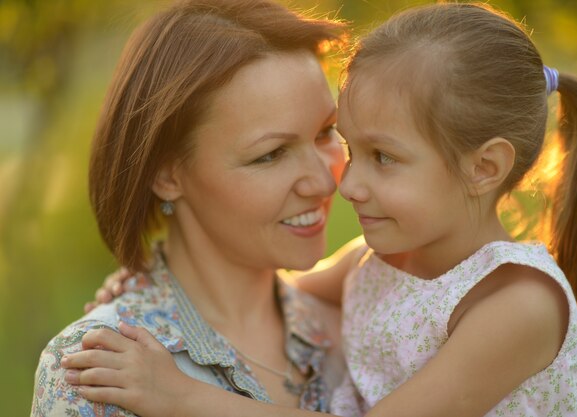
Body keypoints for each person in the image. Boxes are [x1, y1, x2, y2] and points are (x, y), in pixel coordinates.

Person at [61, 2, 577, 417]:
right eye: (351, 145)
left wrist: (180, 394)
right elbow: (265, 297)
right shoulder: (377, 263)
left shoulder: (518, 304)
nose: (346, 183)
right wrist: (146, 290)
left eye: (383, 156)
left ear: (484, 168)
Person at [30, 0, 360, 415]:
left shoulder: (361, 330)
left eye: (326, 131)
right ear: (166, 175)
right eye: (271, 154)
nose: (327, 180)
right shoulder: (96, 370)